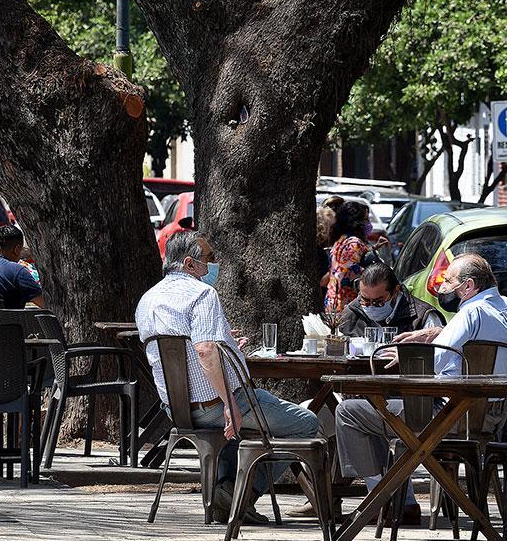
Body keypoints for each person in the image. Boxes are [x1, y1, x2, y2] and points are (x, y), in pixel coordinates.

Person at [136, 231, 322, 523]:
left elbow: (183, 348)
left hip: (176, 410)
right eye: (210, 259)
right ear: (189, 264)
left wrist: (227, 344)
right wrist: (227, 403)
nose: (214, 265)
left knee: (241, 431)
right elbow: (204, 350)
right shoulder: (202, 293)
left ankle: (227, 496)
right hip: (213, 405)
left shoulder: (147, 299)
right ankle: (239, 493)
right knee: (308, 424)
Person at [333, 253, 507, 525]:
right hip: (489, 416)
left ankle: (378, 497)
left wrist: (409, 353)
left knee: (350, 411)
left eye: (450, 281)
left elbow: (436, 362)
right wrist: (434, 334)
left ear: (468, 286)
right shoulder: (506, 307)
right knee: (377, 412)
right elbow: (468, 340)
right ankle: (398, 500)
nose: (445, 286)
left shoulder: (471, 312)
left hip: (450, 416)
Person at [335, 263, 424, 338]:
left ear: (396, 292)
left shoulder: (421, 318)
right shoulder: (350, 315)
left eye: (378, 302)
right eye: (365, 301)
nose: (371, 306)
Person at [324, 200, 373, 315]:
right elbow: (347, 271)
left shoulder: (341, 240)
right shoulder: (353, 243)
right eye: (365, 219)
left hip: (333, 300)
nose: (368, 223)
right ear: (356, 222)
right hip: (346, 303)